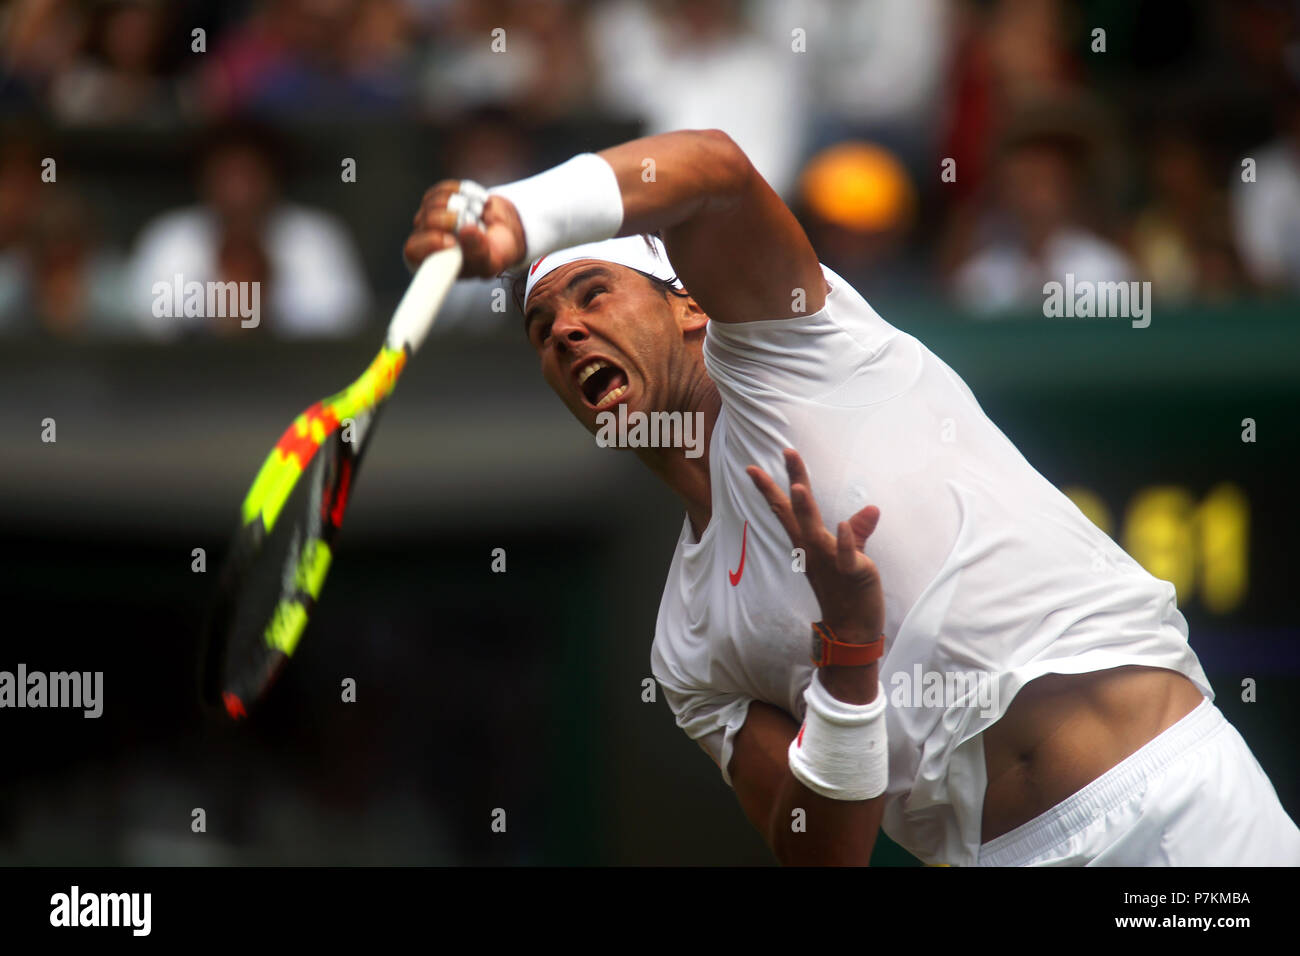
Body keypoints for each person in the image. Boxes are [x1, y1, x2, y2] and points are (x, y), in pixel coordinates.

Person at [403, 129, 1300, 866]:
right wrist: (848, 657)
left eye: (593, 293)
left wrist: (522, 214)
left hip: (1183, 813)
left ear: (688, 307)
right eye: (541, 328)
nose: (564, 330)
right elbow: (820, 854)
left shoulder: (794, 344)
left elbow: (711, 167)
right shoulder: (685, 648)